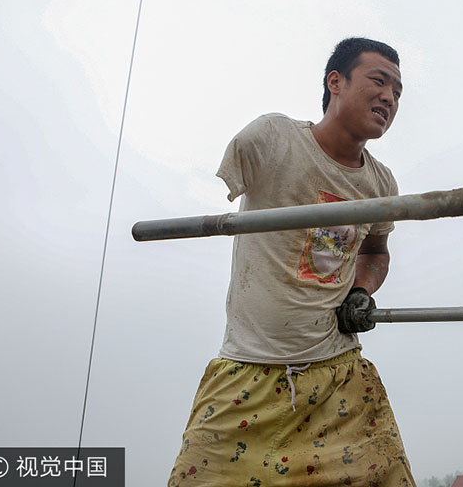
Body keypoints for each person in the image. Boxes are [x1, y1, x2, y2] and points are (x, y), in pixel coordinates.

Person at [169, 38, 415, 487]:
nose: (389, 97)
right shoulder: (272, 139)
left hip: (338, 377)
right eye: (379, 81)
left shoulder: (381, 184)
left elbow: (375, 252)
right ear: (334, 82)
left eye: (398, 92)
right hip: (246, 375)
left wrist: (362, 292)